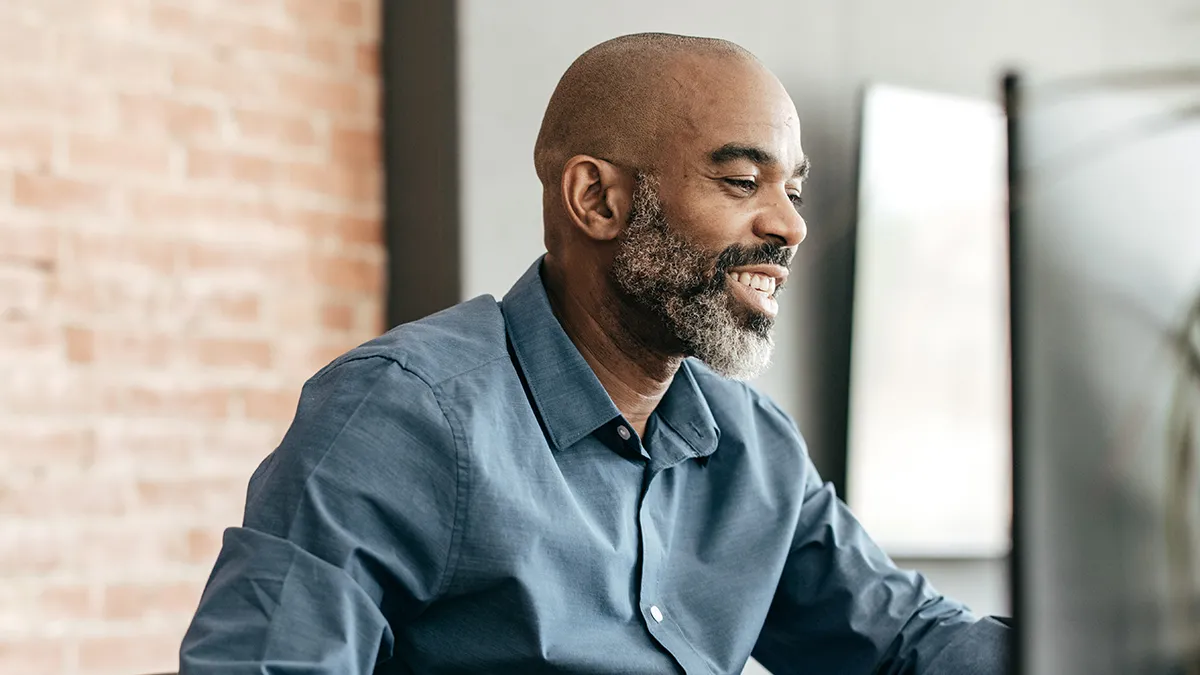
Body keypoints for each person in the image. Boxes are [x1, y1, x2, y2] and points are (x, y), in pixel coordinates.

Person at [179, 33, 1010, 674]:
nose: (789, 225)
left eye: (792, 189)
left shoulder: (751, 447)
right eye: (740, 181)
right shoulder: (403, 415)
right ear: (597, 199)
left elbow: (905, 642)